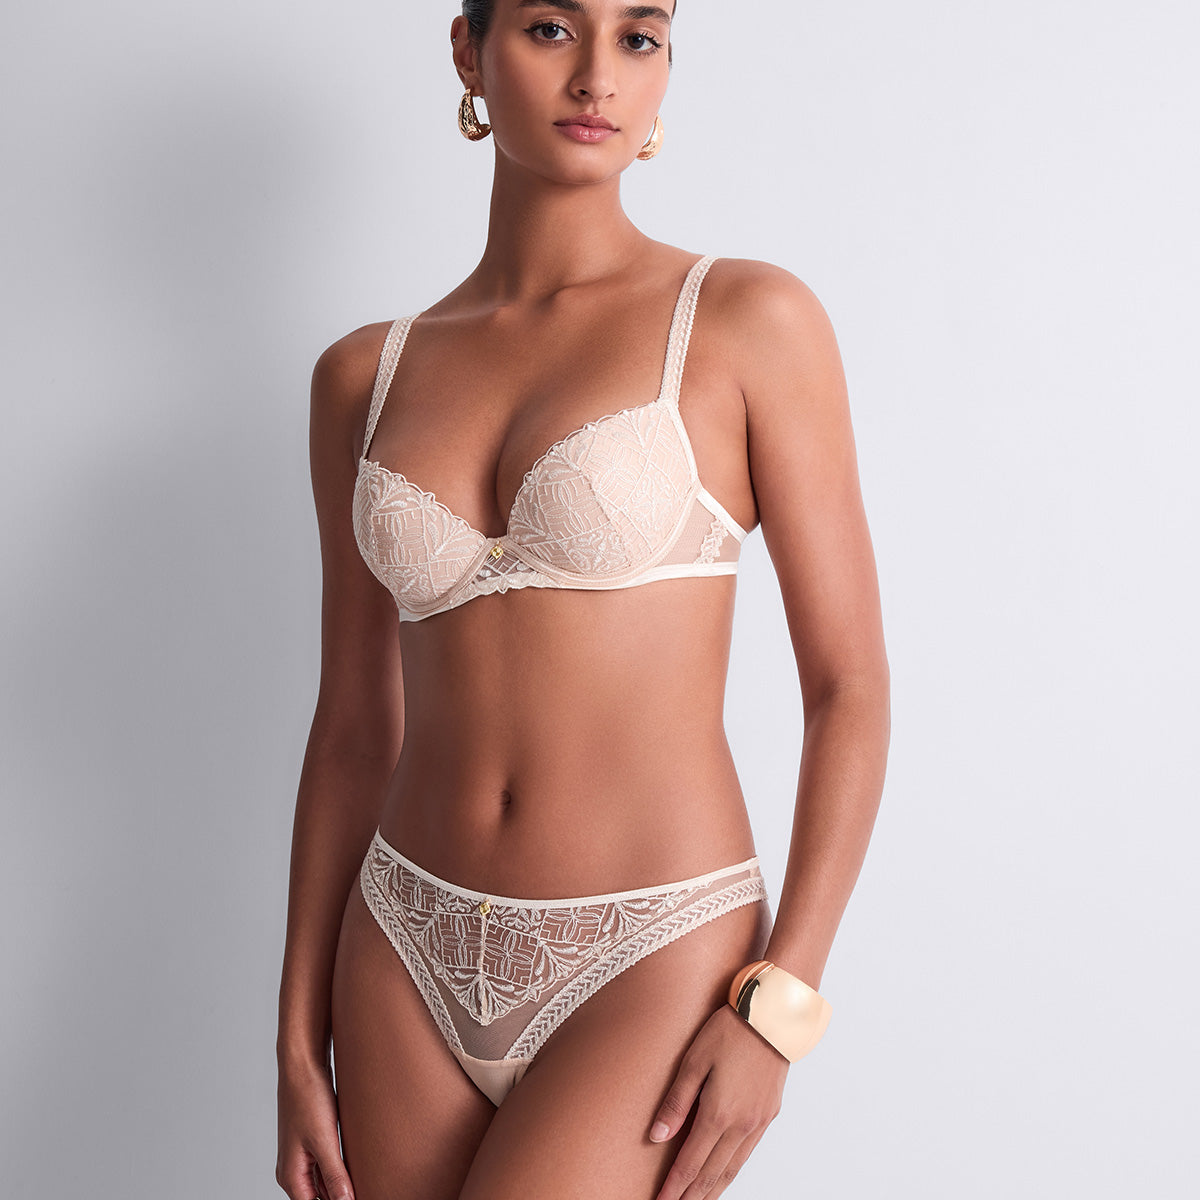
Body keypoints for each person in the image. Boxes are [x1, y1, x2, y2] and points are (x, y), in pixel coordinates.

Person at [275, 1, 890, 1197]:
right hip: (402, 939)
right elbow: (351, 727)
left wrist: (781, 1005)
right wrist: (297, 1034)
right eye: (553, 28)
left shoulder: (748, 321)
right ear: (470, 50)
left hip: (656, 947)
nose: (599, 75)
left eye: (639, 36)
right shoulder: (362, 377)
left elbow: (849, 687)